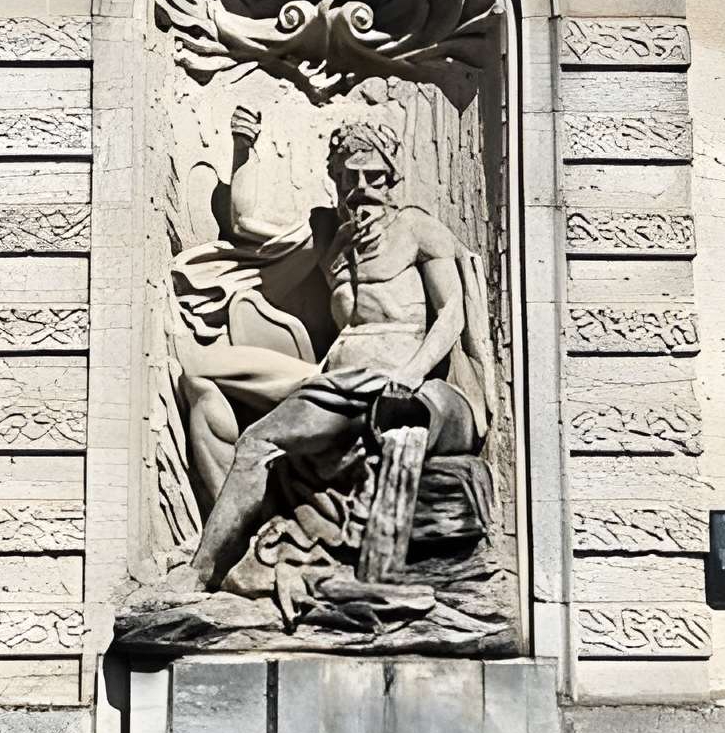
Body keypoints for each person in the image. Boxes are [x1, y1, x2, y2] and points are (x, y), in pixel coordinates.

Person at [166, 110, 487, 594]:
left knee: (256, 442)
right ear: (335, 179)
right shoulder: (326, 233)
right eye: (349, 177)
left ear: (392, 176)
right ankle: (238, 543)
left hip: (389, 377)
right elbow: (245, 222)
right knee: (199, 374)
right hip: (330, 377)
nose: (363, 189)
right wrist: (243, 147)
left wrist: (413, 373)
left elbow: (451, 315)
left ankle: (204, 570)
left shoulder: (417, 229)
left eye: (374, 176)